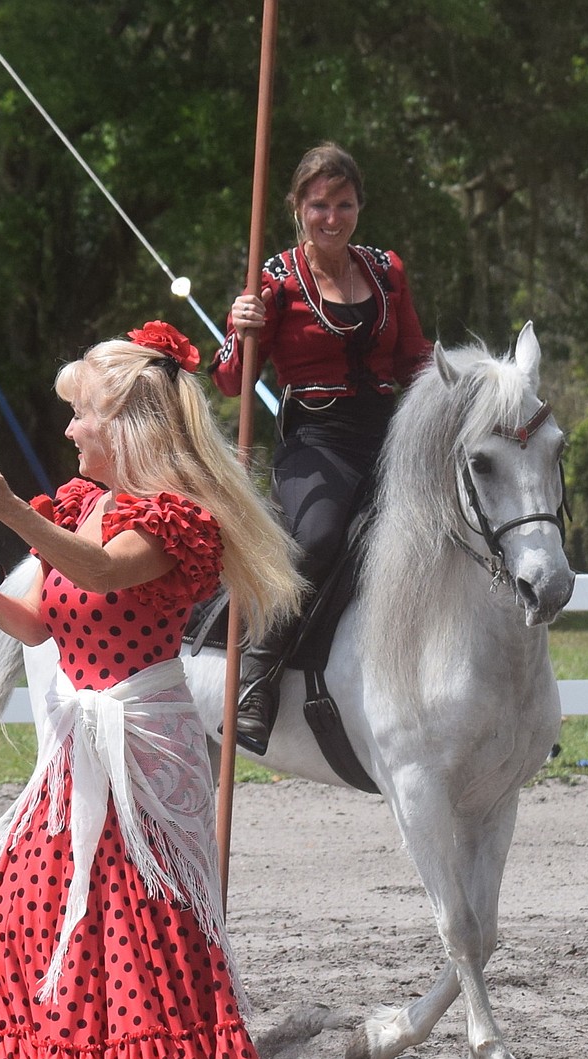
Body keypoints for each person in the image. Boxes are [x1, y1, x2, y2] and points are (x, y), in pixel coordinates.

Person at [0, 320, 302, 1059]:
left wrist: (12, 513)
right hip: (78, 739)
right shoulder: (76, 506)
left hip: (138, 741)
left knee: (130, 920)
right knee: (30, 899)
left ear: (126, 427)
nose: (68, 430)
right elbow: (42, 619)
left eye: (81, 416)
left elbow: (105, 575)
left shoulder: (178, 522)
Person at [210, 142, 433, 754]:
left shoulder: (388, 270)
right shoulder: (274, 282)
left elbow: (414, 357)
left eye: (343, 203)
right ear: (296, 208)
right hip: (315, 439)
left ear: (359, 205)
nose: (331, 217)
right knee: (318, 539)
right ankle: (257, 678)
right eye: (318, 205)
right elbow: (230, 379)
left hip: (391, 434)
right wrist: (242, 327)